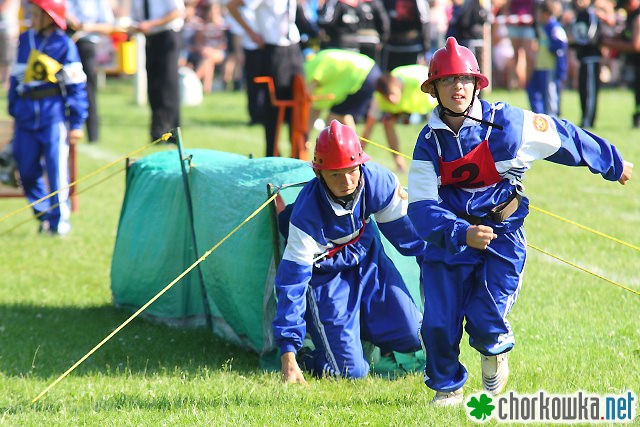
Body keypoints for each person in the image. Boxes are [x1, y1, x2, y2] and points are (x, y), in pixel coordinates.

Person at [407, 37, 633, 405]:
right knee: (437, 322)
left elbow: (563, 136)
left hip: (502, 236)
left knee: (485, 315)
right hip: (451, 239)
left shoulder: (507, 123)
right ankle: (447, 389)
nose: (457, 87)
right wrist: (461, 232)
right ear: (433, 89)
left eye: (465, 79)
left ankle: (492, 348)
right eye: (447, 80)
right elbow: (419, 207)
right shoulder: (427, 143)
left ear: (477, 83)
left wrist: (611, 162)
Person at [274, 119, 426, 382]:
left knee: (416, 335)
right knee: (351, 373)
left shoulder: (380, 183)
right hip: (326, 277)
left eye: (351, 170)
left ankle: (356, 336)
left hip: (368, 261)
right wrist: (288, 351)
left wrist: (447, 291)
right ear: (318, 174)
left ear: (361, 164)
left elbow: (416, 242)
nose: (346, 180)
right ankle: (311, 354)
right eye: (335, 173)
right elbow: (291, 283)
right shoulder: (306, 216)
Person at [8, 0, 88, 235]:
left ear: (50, 16)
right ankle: (44, 213)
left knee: (56, 171)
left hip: (53, 117)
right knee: (26, 171)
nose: (31, 15)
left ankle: (58, 223)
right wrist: (14, 108)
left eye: (37, 12)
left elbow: (76, 86)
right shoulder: (25, 40)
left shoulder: (64, 45)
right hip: (25, 117)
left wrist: (76, 122)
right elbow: (16, 77)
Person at [227, 0, 305, 157]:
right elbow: (232, 5)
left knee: (299, 102)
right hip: (274, 50)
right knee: (274, 105)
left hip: (294, 48)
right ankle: (272, 152)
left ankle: (298, 152)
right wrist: (251, 32)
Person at [361, 63, 437, 172]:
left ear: (398, 87)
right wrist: (358, 153)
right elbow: (369, 126)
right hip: (409, 106)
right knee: (387, 122)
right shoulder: (379, 97)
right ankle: (399, 163)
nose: (391, 100)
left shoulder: (417, 82)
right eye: (387, 97)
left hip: (430, 97)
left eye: (393, 94)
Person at [304, 48, 401, 131]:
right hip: (369, 69)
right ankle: (355, 149)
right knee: (344, 115)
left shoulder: (307, 72)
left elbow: (307, 101)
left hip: (362, 78)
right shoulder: (314, 63)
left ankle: (329, 147)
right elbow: (315, 107)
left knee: (335, 118)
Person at [130, 0, 184, 142]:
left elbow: (177, 12)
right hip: (150, 38)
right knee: (154, 86)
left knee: (167, 84)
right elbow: (136, 16)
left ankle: (172, 132)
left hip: (167, 35)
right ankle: (157, 131)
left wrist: (151, 24)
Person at [66, 0, 115, 143]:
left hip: (85, 44)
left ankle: (92, 135)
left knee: (88, 90)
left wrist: (87, 27)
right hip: (63, 43)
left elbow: (108, 26)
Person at [602, 0, 640, 127]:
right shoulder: (632, 15)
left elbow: (636, 45)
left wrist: (608, 43)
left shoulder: (638, 17)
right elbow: (623, 36)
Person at [526, 0, 568, 116]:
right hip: (540, 66)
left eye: (539, 13)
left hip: (549, 67)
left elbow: (561, 44)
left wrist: (561, 69)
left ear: (545, 14)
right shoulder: (543, 27)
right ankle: (538, 116)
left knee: (550, 96)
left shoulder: (553, 27)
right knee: (532, 89)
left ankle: (552, 119)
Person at [316, 0, 390, 63]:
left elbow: (326, 21)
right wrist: (383, 39)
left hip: (338, 45)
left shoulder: (336, 2)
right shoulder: (358, 3)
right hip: (356, 44)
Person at [568, 0, 604, 128]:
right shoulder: (576, 15)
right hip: (582, 58)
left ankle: (588, 121)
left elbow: (591, 37)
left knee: (590, 91)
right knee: (583, 90)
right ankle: (584, 118)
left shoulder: (591, 15)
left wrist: (575, 41)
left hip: (591, 58)